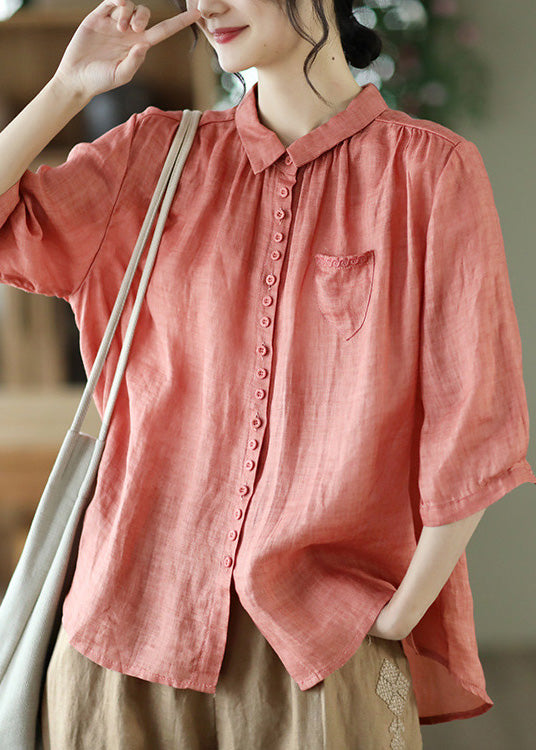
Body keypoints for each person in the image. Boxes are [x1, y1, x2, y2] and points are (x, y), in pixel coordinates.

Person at [1, 0, 535, 747]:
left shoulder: (428, 172)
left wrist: (397, 616)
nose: (207, 6)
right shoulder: (154, 156)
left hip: (316, 653)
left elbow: (473, 421)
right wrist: (68, 87)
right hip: (121, 635)